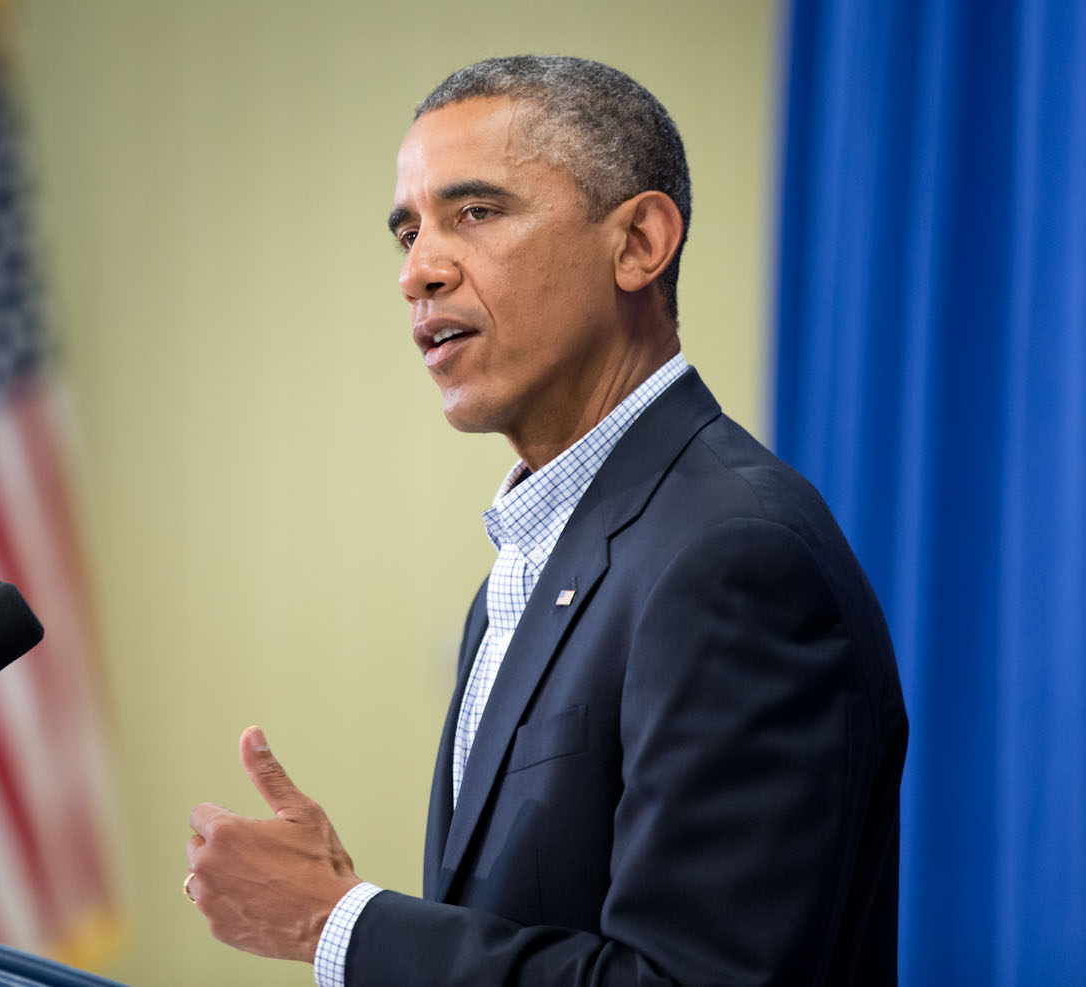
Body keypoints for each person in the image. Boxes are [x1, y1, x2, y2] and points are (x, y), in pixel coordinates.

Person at [185, 55, 908, 986]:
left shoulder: (732, 554)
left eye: (475, 214)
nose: (418, 272)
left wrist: (341, 925)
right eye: (407, 232)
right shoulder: (526, 573)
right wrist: (353, 912)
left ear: (639, 243)